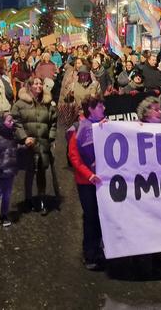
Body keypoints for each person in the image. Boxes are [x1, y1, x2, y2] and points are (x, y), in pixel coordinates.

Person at [68, 94, 105, 270]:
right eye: (100, 106)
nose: (103, 109)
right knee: (91, 217)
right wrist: (89, 174)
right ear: (90, 109)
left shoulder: (105, 125)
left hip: (103, 182)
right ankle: (89, 254)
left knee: (102, 217)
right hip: (87, 182)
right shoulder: (79, 128)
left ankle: (101, 249)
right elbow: (74, 157)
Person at [11, 76, 57, 215]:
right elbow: (15, 122)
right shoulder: (19, 104)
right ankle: (29, 199)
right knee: (29, 172)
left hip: (43, 143)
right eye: (35, 83)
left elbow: (53, 123)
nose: (38, 86)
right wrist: (24, 138)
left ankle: (42, 199)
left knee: (42, 172)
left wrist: (50, 138)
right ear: (29, 86)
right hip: (28, 144)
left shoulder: (48, 103)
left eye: (40, 83)